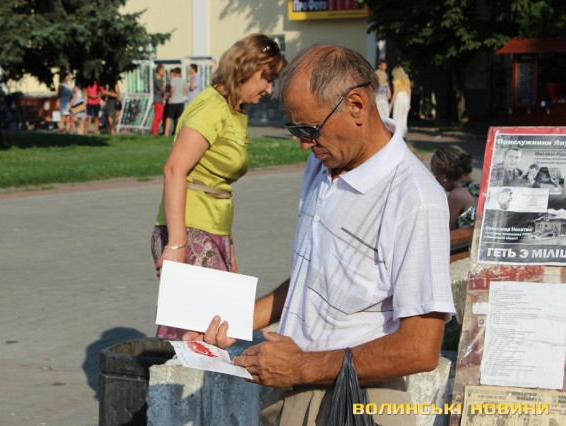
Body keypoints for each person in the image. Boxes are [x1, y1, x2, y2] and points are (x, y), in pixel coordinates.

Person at [184, 45, 455, 426]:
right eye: (295, 130)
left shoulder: (415, 197)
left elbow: (419, 348)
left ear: (356, 106)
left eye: (310, 129)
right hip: (295, 386)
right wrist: (237, 318)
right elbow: (317, 277)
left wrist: (302, 367)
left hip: (358, 400)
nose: (303, 144)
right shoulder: (324, 165)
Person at [151, 34, 287, 340]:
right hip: (190, 229)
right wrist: (176, 245)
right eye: (266, 79)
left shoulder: (232, 110)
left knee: (211, 331)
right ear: (244, 68)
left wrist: (230, 251)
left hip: (213, 228)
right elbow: (174, 169)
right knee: (197, 333)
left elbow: (218, 186)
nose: (269, 89)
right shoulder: (212, 106)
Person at [431, 145, 480, 229]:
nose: (437, 180)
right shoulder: (477, 188)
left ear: (445, 175)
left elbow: (443, 230)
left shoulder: (457, 195)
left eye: (436, 175)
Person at [163, 67, 187, 136]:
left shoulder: (173, 79)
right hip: (181, 101)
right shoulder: (183, 80)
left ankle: (166, 133)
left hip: (173, 101)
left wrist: (170, 98)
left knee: (169, 117)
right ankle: (177, 133)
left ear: (175, 73)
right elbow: (185, 91)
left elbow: (172, 89)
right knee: (178, 117)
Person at [390, 64, 411, 134]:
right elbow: (409, 92)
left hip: (399, 98)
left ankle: (397, 132)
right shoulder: (407, 80)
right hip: (406, 98)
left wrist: (391, 104)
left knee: (397, 116)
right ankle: (403, 131)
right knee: (404, 116)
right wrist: (409, 103)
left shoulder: (396, 81)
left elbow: (395, 93)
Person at [151, 64, 166, 135]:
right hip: (157, 100)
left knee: (160, 115)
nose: (164, 72)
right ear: (159, 71)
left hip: (160, 99)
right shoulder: (157, 80)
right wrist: (164, 92)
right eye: (162, 70)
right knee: (158, 115)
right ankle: (154, 131)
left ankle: (155, 130)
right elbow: (161, 89)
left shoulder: (161, 80)